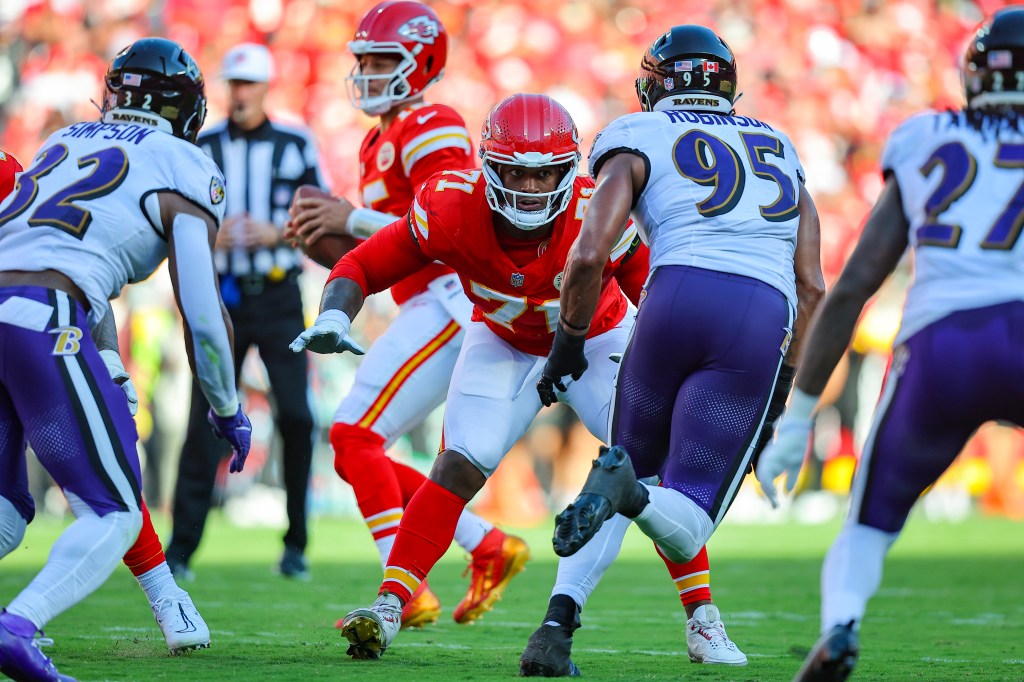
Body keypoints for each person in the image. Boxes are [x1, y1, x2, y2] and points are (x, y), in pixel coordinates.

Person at [292, 92, 748, 667]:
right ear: (489, 166)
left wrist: (677, 368)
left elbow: (650, 295)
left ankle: (703, 618)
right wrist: (335, 313)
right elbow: (365, 263)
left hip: (598, 340)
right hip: (503, 341)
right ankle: (389, 605)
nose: (531, 189)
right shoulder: (451, 205)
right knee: (459, 461)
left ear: (569, 171)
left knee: (648, 469)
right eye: (515, 173)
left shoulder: (596, 209)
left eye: (545, 175)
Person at [536, 23, 824, 669]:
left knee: (624, 460)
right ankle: (630, 498)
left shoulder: (635, 133)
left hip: (670, 303)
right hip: (754, 316)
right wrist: (784, 388)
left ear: (655, 82)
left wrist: (568, 342)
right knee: (686, 510)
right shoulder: (778, 143)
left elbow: (589, 254)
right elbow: (813, 284)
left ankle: (555, 629)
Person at [756, 8, 1024, 681]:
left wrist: (798, 417)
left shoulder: (926, 137)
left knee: (869, 522)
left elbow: (852, 288)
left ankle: (841, 625)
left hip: (943, 343)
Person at [0, 37, 251, 680]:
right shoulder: (187, 165)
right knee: (112, 509)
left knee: (5, 511)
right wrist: (227, 407)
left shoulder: (62, 142)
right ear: (189, 109)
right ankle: (17, 627)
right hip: (45, 315)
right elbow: (201, 311)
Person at [287, 0, 529, 627]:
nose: (366, 71)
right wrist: (334, 239)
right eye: (362, 59)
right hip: (425, 301)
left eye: (381, 60)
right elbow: (386, 238)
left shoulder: (430, 122)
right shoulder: (380, 136)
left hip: (451, 297)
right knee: (356, 442)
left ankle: (407, 583)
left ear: (420, 62)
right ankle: (485, 543)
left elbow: (449, 223)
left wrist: (350, 219)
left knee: (353, 436)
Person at [0, 157, 212, 655]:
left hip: (30, 326)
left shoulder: (17, 175)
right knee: (108, 493)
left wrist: (112, 359)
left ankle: (167, 597)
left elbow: (71, 272)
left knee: (9, 515)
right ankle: (164, 597)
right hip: (31, 329)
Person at [166, 42, 323, 580]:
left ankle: (296, 543)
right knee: (202, 418)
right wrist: (214, 234)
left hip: (279, 292)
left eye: (249, 84)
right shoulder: (200, 145)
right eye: (234, 84)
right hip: (223, 291)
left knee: (298, 416)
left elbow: (321, 213)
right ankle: (181, 548)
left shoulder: (294, 141)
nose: (241, 93)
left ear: (265, 87)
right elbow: (176, 214)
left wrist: (278, 230)